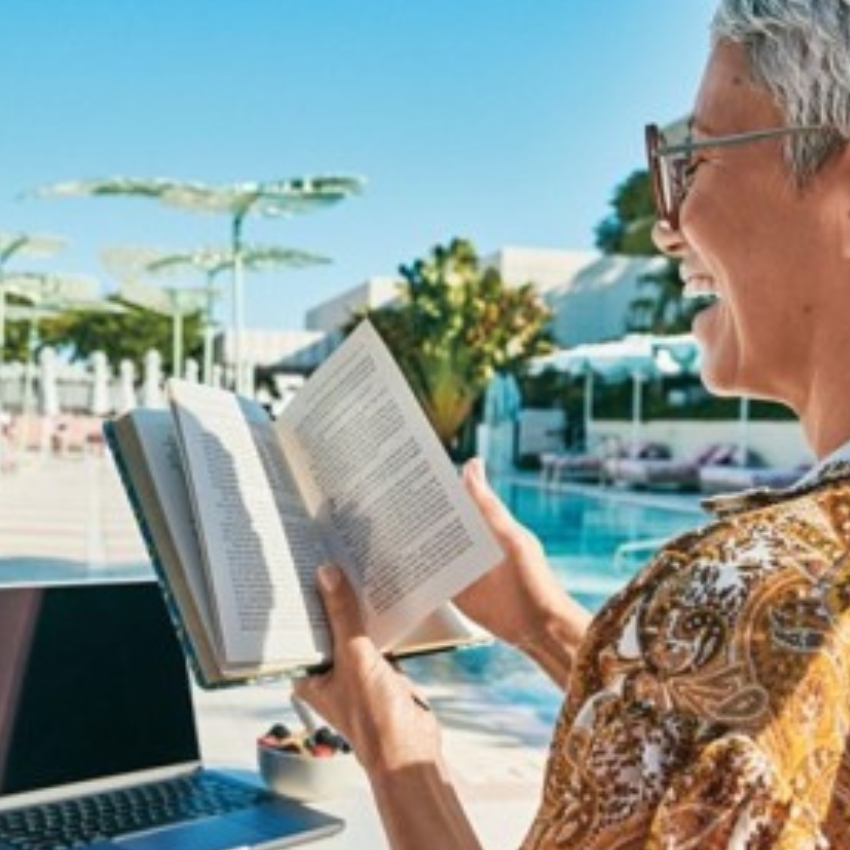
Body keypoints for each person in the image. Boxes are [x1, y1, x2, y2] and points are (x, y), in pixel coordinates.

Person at [295, 2, 850, 846]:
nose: (669, 223)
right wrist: (547, 625)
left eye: (693, 158)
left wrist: (395, 755)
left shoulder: (749, 588)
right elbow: (732, 755)